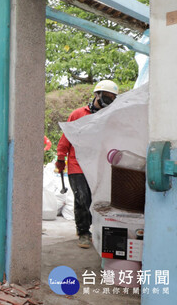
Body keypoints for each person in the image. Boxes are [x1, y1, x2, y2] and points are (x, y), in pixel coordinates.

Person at [56, 80, 118, 249]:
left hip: (98, 164)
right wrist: (61, 157)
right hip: (77, 164)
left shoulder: (108, 117)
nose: (109, 100)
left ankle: (93, 229)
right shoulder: (78, 114)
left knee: (96, 199)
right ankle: (83, 232)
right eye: (106, 96)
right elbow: (66, 137)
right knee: (82, 198)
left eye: (113, 98)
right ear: (97, 95)